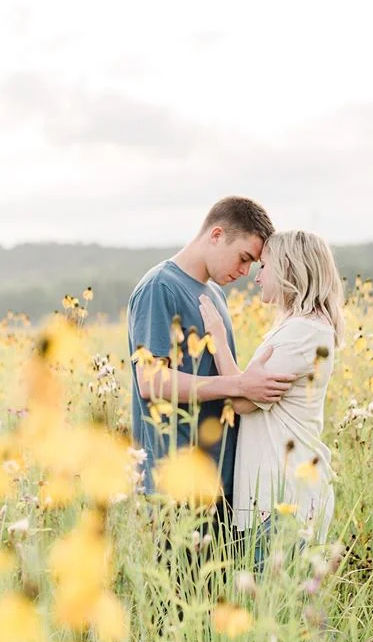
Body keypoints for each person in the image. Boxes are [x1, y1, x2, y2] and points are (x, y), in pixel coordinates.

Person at [127, 196, 297, 507]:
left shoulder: (215, 293)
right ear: (217, 235)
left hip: (222, 477)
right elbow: (150, 382)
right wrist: (239, 384)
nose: (245, 271)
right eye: (243, 258)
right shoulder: (160, 287)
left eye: (253, 264)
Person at [199, 230, 345, 559]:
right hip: (279, 499)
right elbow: (247, 388)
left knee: (275, 592)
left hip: (283, 500)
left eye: (264, 266)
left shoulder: (303, 332)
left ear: (289, 268)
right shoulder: (301, 327)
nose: (257, 277)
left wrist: (218, 338)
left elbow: (242, 401)